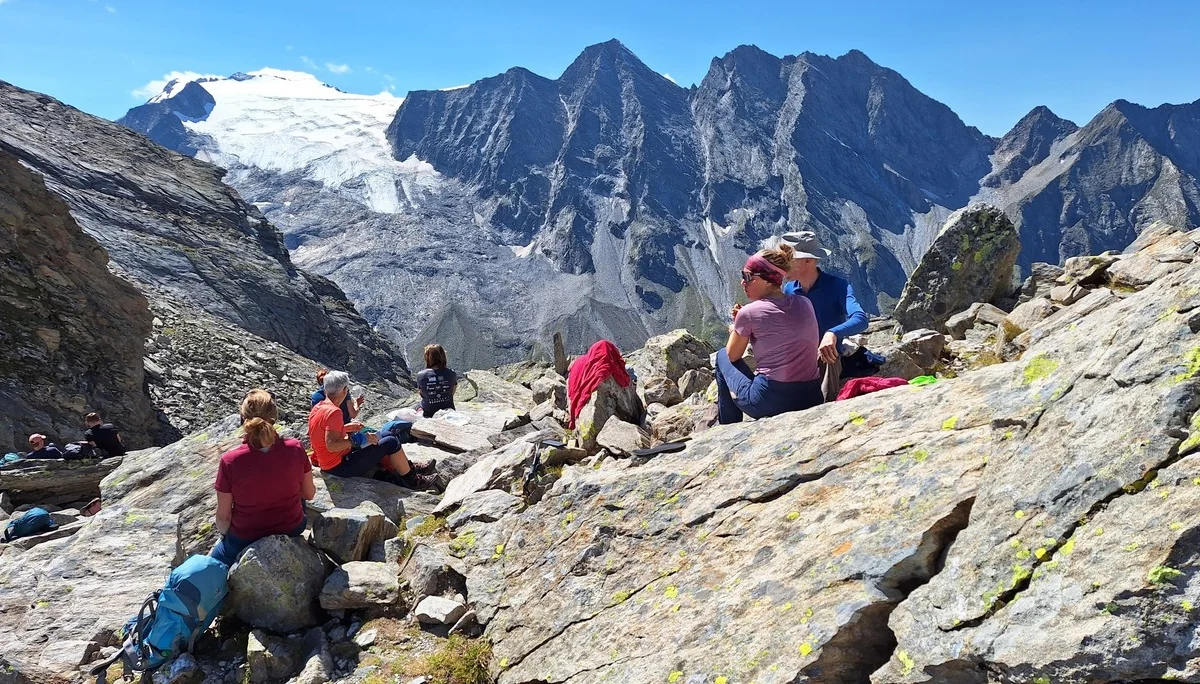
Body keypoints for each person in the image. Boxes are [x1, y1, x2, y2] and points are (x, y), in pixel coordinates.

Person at [714, 245, 823, 424]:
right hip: (811, 397)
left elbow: (732, 355)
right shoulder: (805, 302)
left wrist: (735, 328)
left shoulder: (749, 313)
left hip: (770, 402)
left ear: (767, 280)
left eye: (748, 277)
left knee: (721, 356)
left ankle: (728, 427)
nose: (742, 282)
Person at [210, 390, 316, 566]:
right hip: (291, 527)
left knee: (212, 563)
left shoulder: (230, 461)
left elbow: (223, 519)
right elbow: (309, 494)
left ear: (243, 419)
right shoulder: (296, 448)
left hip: (245, 536)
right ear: (275, 417)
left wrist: (225, 536)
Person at [769, 231, 870, 402]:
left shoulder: (837, 286)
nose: (782, 266)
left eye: (788, 259)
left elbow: (861, 319)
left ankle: (824, 407)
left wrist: (832, 333)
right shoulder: (789, 289)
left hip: (826, 357)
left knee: (828, 355)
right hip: (799, 357)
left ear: (808, 260)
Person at [308, 371, 437, 490]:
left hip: (332, 461)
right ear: (344, 390)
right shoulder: (334, 412)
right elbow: (331, 445)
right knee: (391, 442)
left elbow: (323, 431)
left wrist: (346, 428)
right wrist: (357, 440)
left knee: (386, 434)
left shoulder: (319, 406)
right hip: (339, 466)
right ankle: (412, 481)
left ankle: (409, 467)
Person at [417, 344, 457, 418]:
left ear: (427, 357)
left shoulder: (421, 375)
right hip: (448, 411)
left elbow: (422, 393)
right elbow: (452, 392)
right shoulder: (452, 373)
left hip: (428, 412)